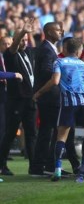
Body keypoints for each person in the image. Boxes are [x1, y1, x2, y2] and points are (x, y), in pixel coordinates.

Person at [33, 38, 84, 181]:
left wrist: (39, 93)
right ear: (78, 51)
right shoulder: (83, 64)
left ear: (65, 49)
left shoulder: (59, 62)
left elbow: (55, 81)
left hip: (69, 103)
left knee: (61, 137)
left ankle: (57, 169)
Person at [0, 19, 37, 176]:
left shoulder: (28, 52)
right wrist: (22, 31)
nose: (24, 42)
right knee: (10, 133)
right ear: (15, 40)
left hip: (30, 99)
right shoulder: (10, 54)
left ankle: (34, 166)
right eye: (21, 40)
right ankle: (2, 165)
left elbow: (32, 46)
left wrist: (28, 33)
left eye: (26, 40)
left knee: (31, 133)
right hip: (16, 100)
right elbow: (14, 47)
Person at [32, 22, 65, 176]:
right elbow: (46, 72)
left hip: (49, 96)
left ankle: (45, 166)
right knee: (48, 132)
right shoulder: (46, 50)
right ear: (48, 32)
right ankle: (41, 167)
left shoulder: (48, 48)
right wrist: (61, 73)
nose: (61, 32)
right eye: (58, 30)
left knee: (49, 132)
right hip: (49, 97)